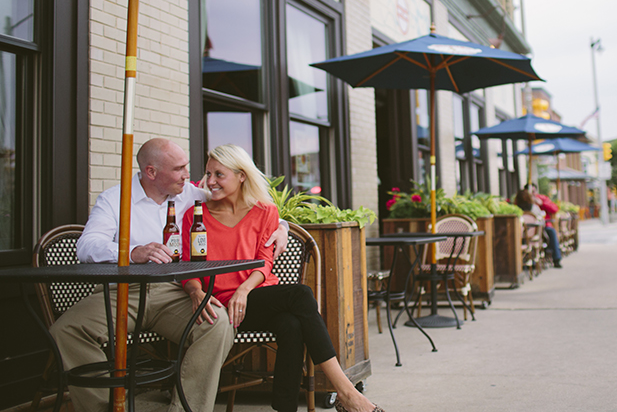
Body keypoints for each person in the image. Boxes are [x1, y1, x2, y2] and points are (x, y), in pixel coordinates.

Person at [50, 138, 289, 412]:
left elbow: (245, 204)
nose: (189, 175)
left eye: (186, 167)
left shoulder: (192, 194)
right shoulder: (115, 199)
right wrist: (132, 252)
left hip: (174, 293)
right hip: (124, 291)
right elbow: (86, 246)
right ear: (151, 172)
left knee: (217, 325)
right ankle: (105, 409)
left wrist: (282, 227)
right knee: (66, 330)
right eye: (179, 169)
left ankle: (185, 409)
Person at [181, 144, 383, 412]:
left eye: (219, 174)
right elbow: (186, 265)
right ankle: (346, 392)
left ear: (242, 175)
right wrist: (196, 291)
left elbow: (265, 263)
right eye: (208, 174)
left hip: (255, 298)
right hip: (218, 305)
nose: (210, 181)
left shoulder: (265, 212)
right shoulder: (195, 216)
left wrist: (243, 290)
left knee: (292, 319)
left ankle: (293, 407)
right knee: (297, 304)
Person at [515, 186, 563, 268]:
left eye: (533, 191)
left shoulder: (541, 199)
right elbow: (540, 218)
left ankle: (556, 258)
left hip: (529, 230)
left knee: (551, 232)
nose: (532, 193)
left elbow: (554, 209)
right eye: (530, 192)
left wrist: (542, 203)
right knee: (550, 233)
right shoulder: (530, 207)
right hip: (535, 231)